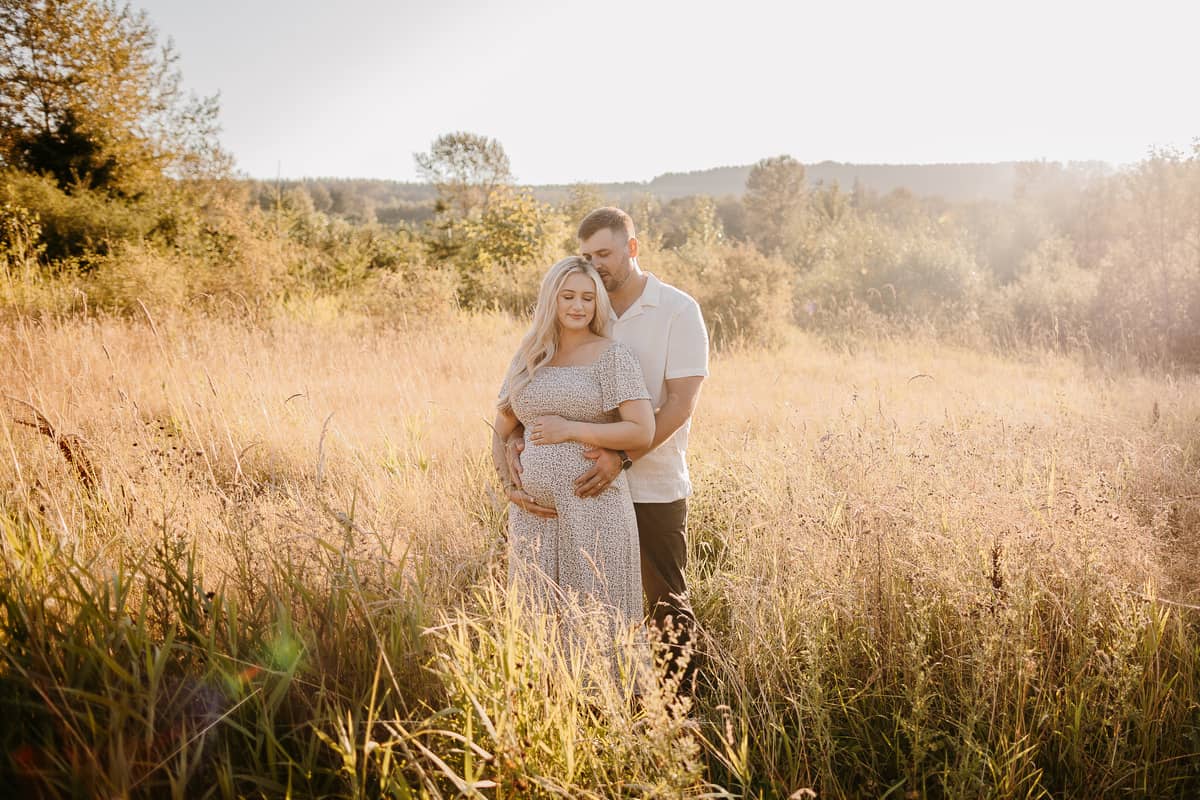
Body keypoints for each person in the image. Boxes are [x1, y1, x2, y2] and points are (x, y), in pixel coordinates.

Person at [504, 207, 709, 689]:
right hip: (578, 494)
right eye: (585, 256)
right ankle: (589, 699)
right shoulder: (580, 306)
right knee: (580, 602)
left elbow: (680, 404)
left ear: (631, 248)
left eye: (604, 254)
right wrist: (515, 442)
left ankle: (678, 714)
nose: (595, 265)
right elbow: (535, 398)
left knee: (663, 603)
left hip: (652, 482)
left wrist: (621, 459)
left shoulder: (678, 311)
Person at [492, 255, 655, 658]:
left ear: (598, 303)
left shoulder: (612, 356)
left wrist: (571, 429)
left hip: (595, 509)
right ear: (551, 300)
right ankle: (550, 710)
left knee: (601, 619)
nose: (578, 306)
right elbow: (501, 430)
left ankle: (612, 713)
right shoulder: (529, 355)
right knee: (538, 618)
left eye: (587, 297)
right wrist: (510, 486)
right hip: (534, 517)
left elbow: (641, 429)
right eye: (568, 296)